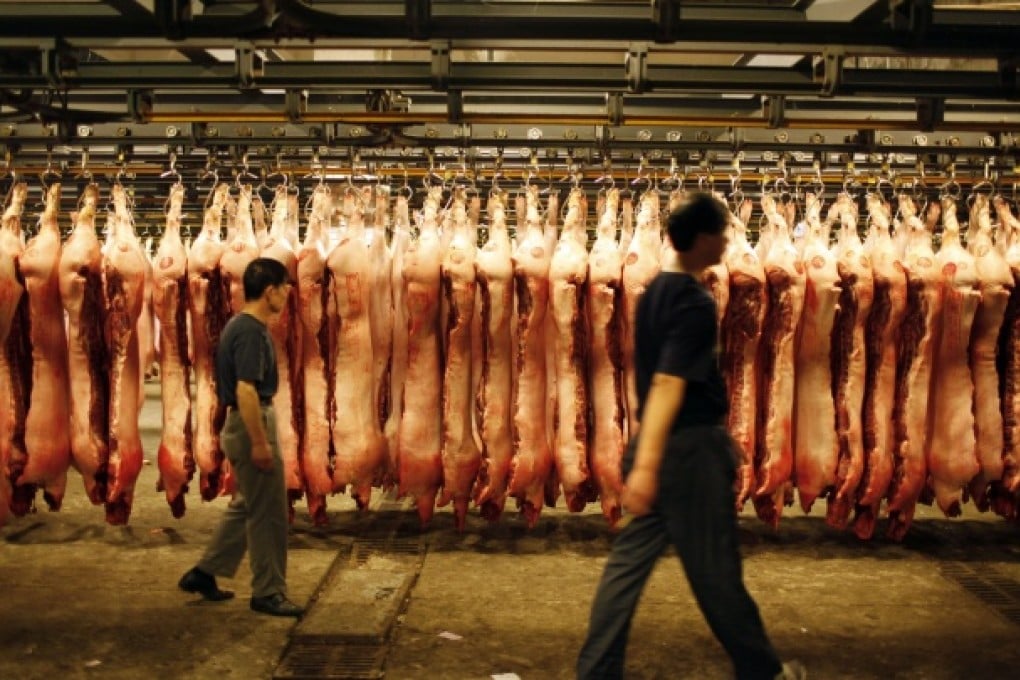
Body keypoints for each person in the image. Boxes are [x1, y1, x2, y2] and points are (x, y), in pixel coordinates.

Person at [576, 193, 805, 680]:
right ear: (702, 239)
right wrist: (648, 464)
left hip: (664, 446)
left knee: (627, 566)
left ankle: (596, 671)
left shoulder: (656, 289)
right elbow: (668, 383)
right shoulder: (694, 303)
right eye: (721, 233)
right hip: (687, 453)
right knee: (717, 574)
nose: (727, 242)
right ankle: (764, 672)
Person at [178, 257, 304, 618]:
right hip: (252, 422)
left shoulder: (240, 325)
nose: (288, 294)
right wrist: (261, 442)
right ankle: (268, 591)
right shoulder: (249, 331)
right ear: (270, 291)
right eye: (285, 287)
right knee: (269, 514)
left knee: (248, 504)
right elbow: (247, 390)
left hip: (244, 423)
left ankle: (204, 573)